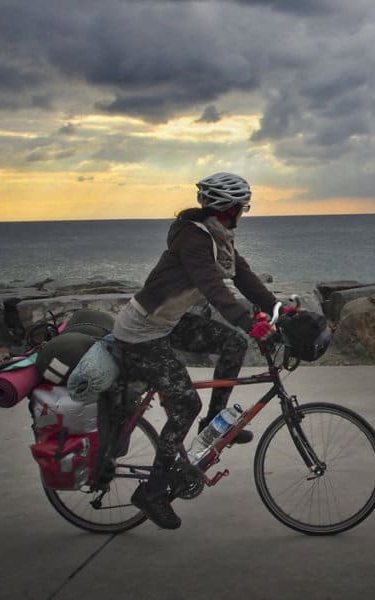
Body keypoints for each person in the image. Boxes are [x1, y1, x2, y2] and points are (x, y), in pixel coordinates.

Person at [112, 172, 281, 529]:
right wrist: (250, 322)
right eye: (243, 208)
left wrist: (283, 311)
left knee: (233, 344)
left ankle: (214, 427)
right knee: (185, 403)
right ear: (229, 209)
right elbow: (213, 287)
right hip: (140, 332)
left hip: (167, 325)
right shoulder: (193, 238)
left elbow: (245, 279)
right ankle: (153, 492)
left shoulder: (218, 238)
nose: (244, 214)